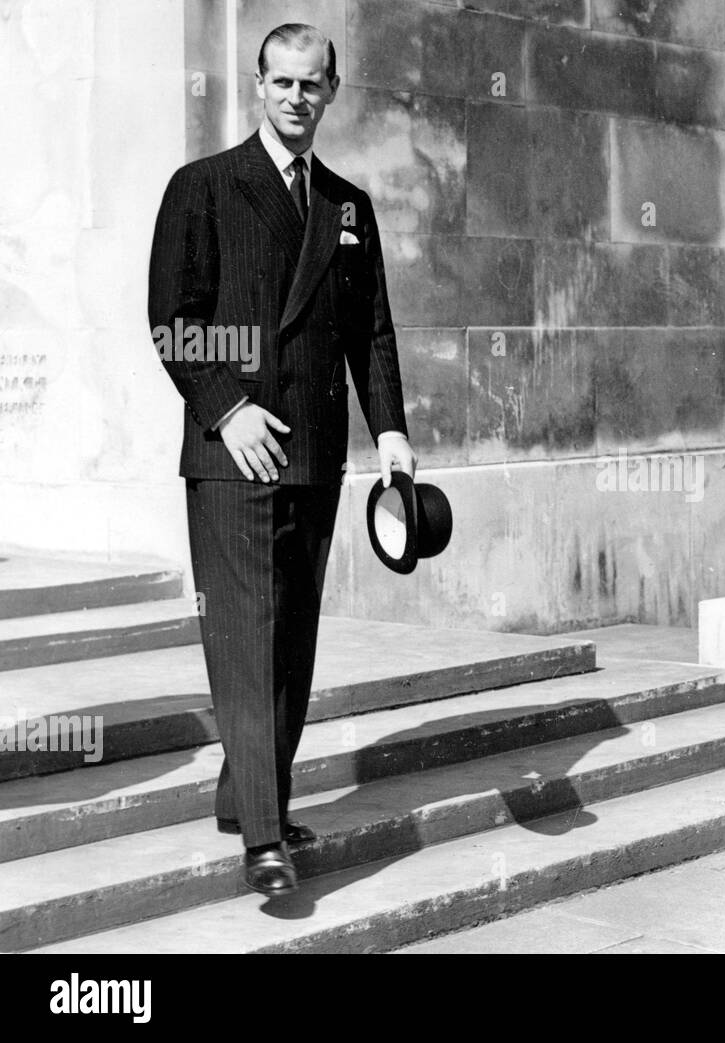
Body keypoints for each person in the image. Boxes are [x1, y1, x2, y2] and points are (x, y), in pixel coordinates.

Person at [148, 24, 415, 897]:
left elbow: (369, 333)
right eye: (283, 83)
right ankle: (266, 836)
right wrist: (227, 409)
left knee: (291, 638)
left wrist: (393, 436)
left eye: (313, 85)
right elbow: (172, 319)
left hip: (314, 455)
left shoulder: (347, 207)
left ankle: (244, 792)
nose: (297, 99)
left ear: (333, 91)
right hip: (233, 455)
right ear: (258, 85)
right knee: (245, 634)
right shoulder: (204, 187)